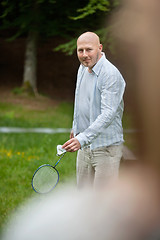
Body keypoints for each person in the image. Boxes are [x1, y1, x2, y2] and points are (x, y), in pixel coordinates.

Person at [62, 31, 126, 188]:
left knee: (102, 204)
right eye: (80, 50)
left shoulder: (110, 74)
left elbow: (108, 114)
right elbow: (80, 99)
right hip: (85, 146)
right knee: (84, 199)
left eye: (89, 49)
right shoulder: (83, 68)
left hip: (106, 148)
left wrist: (82, 138)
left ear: (100, 48)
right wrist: (75, 127)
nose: (84, 55)